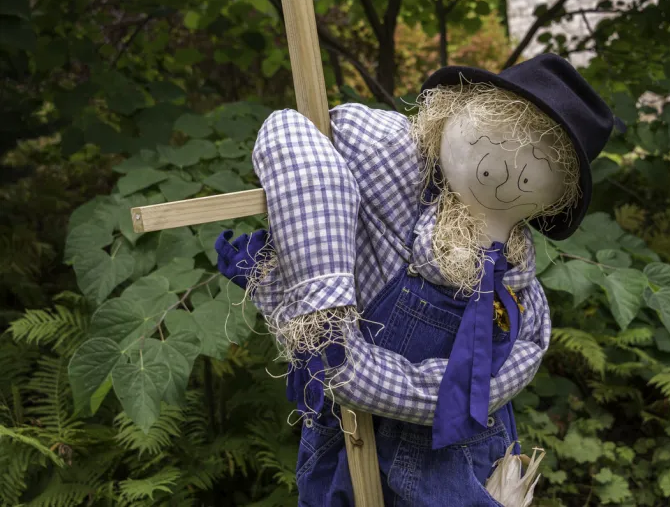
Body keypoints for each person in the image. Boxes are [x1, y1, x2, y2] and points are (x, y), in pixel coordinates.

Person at [215, 53, 615, 506]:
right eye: (503, 138)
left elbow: (470, 392)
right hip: (349, 442)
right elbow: (293, 140)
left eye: (537, 164)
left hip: (453, 469)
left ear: (554, 200)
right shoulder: (389, 174)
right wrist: (290, 279)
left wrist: (348, 367)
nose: (508, 173)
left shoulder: (517, 294)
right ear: (456, 109)